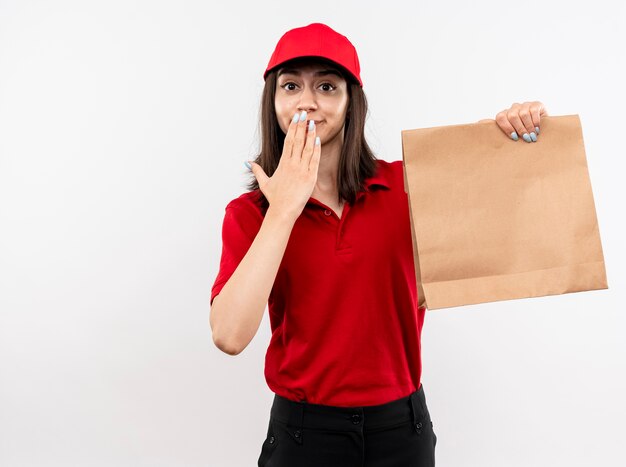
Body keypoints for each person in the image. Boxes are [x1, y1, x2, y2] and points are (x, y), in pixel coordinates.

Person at [209, 22, 548, 467]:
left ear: (352, 103)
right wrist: (285, 208)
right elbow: (230, 336)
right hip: (304, 435)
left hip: (401, 431)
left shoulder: (407, 186)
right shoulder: (250, 213)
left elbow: (504, 211)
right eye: (291, 85)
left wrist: (507, 135)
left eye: (326, 86)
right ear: (273, 100)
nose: (307, 101)